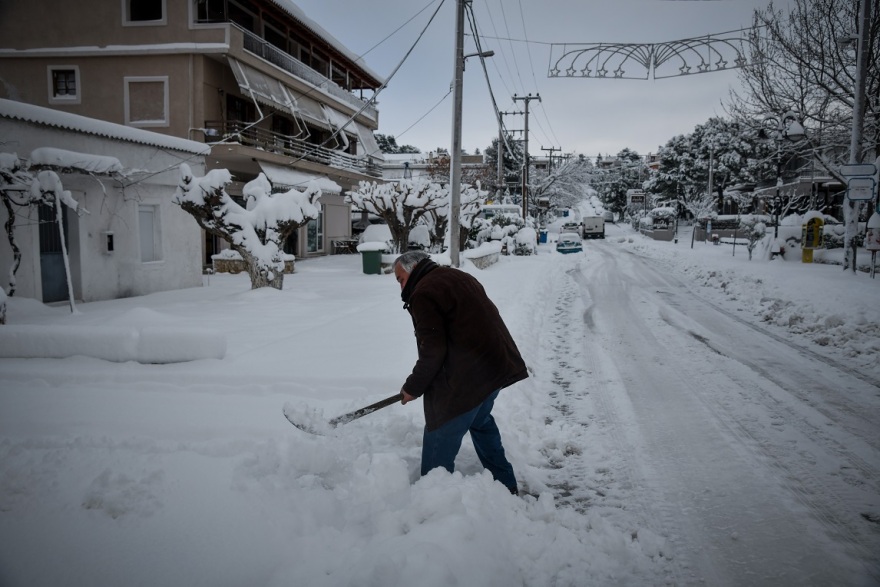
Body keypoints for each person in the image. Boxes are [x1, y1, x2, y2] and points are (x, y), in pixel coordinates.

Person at [392, 250, 528, 494]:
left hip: (468, 378)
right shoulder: (458, 276)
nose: (401, 287)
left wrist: (413, 386)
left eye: (400, 279)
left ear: (412, 271)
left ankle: (433, 502)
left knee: (441, 431)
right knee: (480, 421)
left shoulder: (424, 293)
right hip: (494, 369)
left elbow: (433, 351)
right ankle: (505, 486)